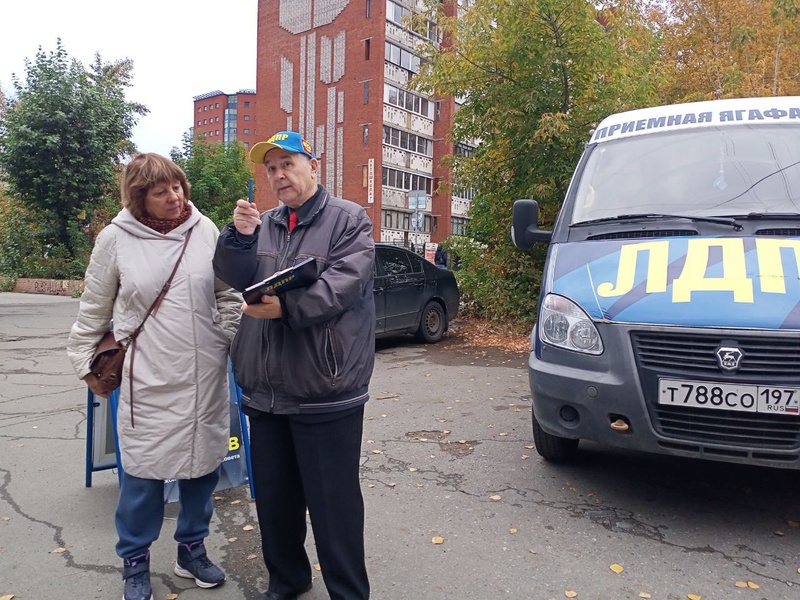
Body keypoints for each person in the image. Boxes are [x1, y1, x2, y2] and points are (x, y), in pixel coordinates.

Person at [66, 153, 241, 600]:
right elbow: (93, 309)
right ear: (139, 198)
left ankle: (191, 550)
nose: (174, 197)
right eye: (160, 191)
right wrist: (87, 367)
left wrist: (226, 336)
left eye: (177, 186)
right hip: (148, 377)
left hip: (204, 377)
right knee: (142, 478)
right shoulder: (115, 239)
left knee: (202, 471)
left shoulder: (205, 231)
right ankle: (135, 562)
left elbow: (227, 293)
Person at [213, 131, 375, 600]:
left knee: (333, 505)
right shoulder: (261, 222)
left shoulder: (349, 220)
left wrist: (288, 308)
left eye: (288, 163)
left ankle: (348, 592)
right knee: (276, 501)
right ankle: (287, 580)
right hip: (264, 386)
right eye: (271, 168)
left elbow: (345, 283)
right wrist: (239, 240)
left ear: (313, 166)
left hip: (325, 386)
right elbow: (231, 277)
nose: (279, 174)